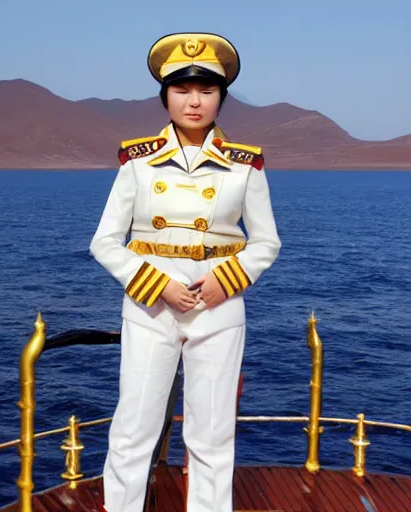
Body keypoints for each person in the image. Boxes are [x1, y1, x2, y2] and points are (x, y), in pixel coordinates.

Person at [90, 32, 281, 512]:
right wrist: (160, 286)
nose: (194, 101)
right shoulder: (137, 164)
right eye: (182, 90)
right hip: (151, 309)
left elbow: (265, 242)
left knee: (213, 436)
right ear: (165, 97)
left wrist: (225, 281)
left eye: (207, 91)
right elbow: (105, 242)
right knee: (134, 428)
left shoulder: (245, 168)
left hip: (218, 311)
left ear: (221, 98)